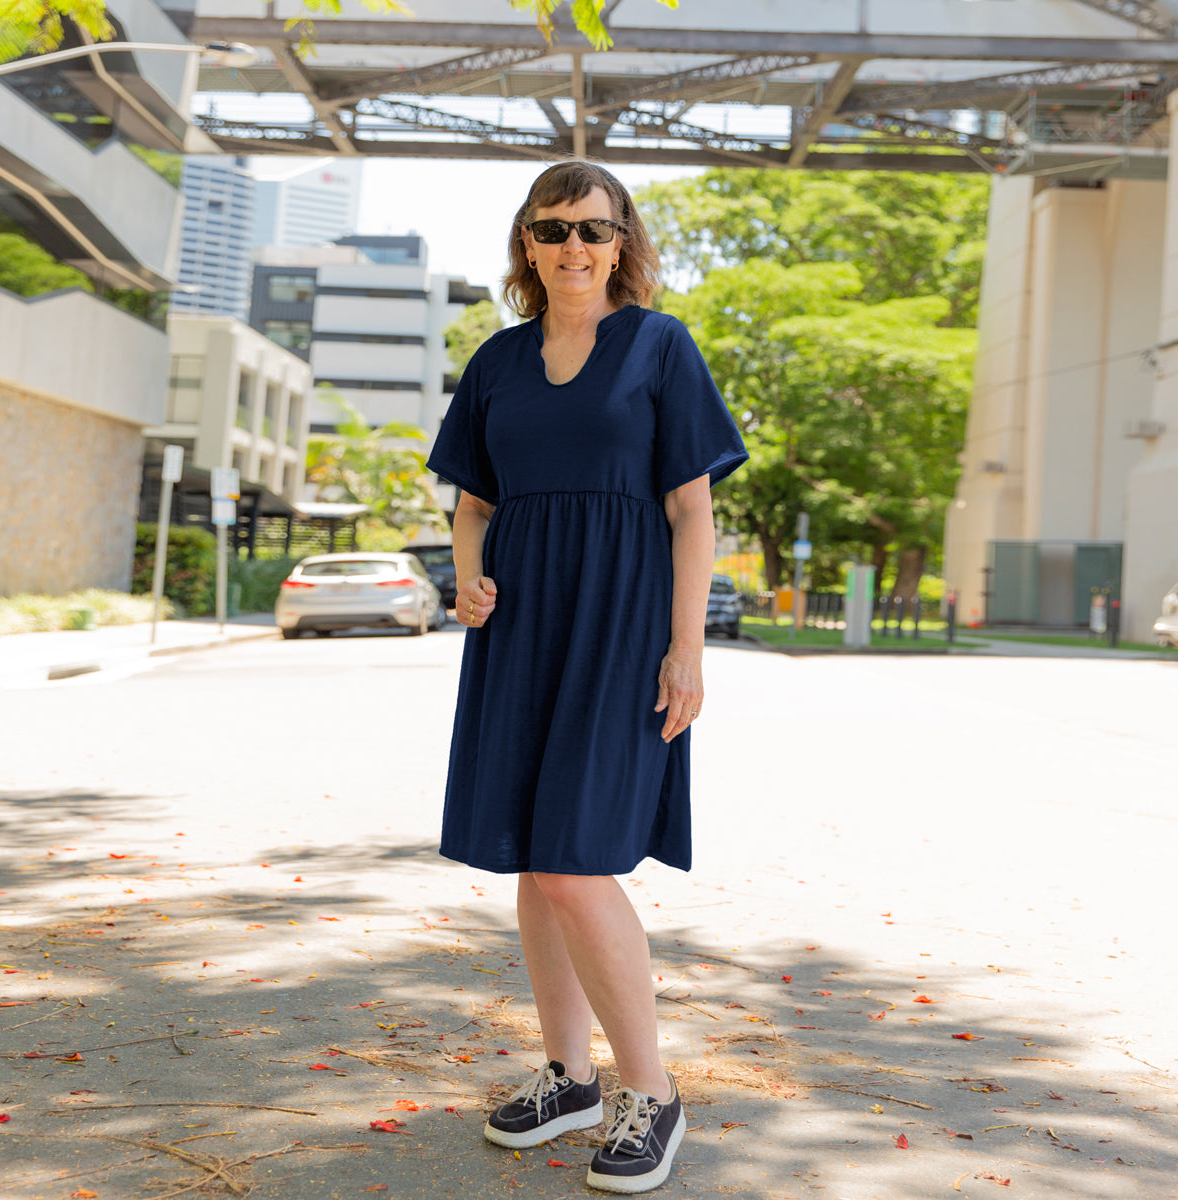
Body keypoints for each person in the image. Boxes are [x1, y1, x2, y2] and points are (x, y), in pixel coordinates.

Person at [426, 160, 747, 1194]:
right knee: (534, 854)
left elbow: (691, 510)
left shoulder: (660, 346)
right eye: (554, 227)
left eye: (593, 230)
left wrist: (687, 647)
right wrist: (468, 573)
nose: (573, 246)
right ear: (528, 242)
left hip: (621, 625)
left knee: (573, 859)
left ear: (621, 244)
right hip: (521, 627)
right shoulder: (497, 360)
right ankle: (568, 1076)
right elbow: (474, 503)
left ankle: (650, 1091)